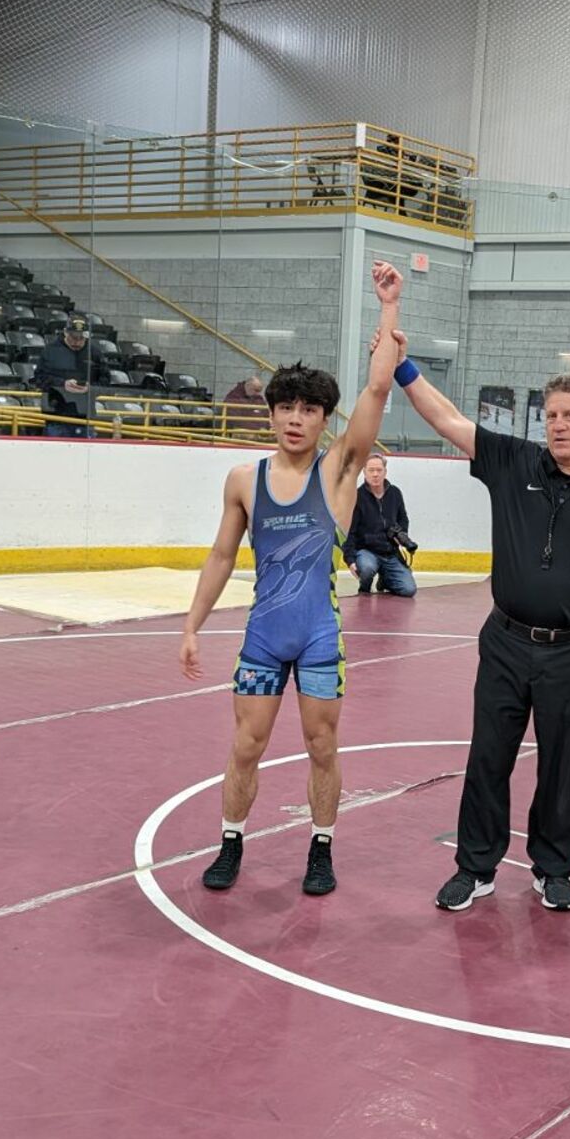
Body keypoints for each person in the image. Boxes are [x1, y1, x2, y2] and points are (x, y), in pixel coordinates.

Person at [390, 354, 570, 913]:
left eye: (569, 415)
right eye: (549, 415)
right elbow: (445, 419)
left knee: (563, 765)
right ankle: (475, 867)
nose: (557, 424)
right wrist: (401, 363)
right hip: (506, 644)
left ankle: (554, 870)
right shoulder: (514, 462)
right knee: (488, 756)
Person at [178, 261, 404, 899]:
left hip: (317, 636)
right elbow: (222, 557)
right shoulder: (243, 482)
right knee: (245, 746)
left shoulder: (337, 473)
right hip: (263, 635)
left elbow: (378, 393)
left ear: (324, 418)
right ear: (271, 414)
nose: (295, 418)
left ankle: (321, 847)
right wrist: (192, 625)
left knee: (321, 747)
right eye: (285, 407)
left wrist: (389, 308)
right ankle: (229, 841)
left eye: (309, 409)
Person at [343, 453, 417, 597]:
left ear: (385, 472)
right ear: (364, 472)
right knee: (367, 568)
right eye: (371, 470)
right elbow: (349, 531)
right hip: (366, 551)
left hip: (391, 553)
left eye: (379, 470)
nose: (375, 474)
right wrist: (350, 559)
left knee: (409, 590)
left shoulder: (395, 493)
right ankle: (364, 588)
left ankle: (385, 580)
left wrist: (401, 535)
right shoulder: (357, 496)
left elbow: (403, 520)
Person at [35, 316, 95, 438]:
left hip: (84, 417)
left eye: (81, 338)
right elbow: (39, 378)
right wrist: (62, 384)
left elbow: (105, 380)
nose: (77, 341)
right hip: (56, 415)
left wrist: (91, 387)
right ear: (65, 332)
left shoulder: (94, 353)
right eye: (74, 337)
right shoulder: (50, 351)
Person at [221, 373, 269, 439]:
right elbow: (235, 421)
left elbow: (267, 415)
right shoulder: (234, 398)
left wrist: (269, 428)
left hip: (261, 434)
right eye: (256, 390)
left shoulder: (258, 399)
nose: (258, 393)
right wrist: (258, 430)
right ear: (248, 385)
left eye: (260, 391)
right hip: (244, 434)